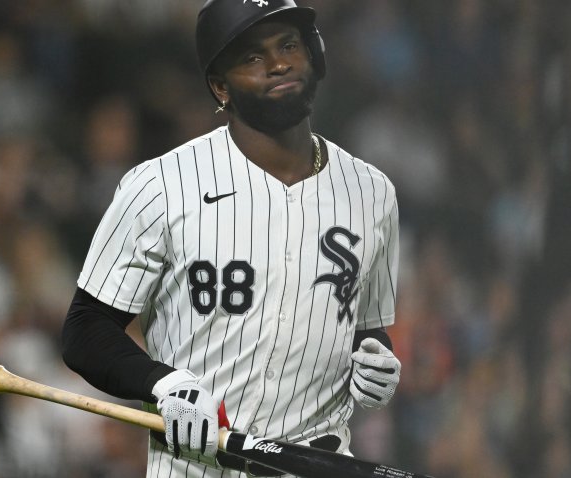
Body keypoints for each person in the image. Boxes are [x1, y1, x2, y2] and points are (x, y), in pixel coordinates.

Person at [61, 1, 402, 476]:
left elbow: (365, 327)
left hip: (315, 461)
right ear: (220, 87)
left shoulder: (373, 193)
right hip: (197, 467)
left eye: (288, 45)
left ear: (315, 55)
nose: (278, 63)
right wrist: (162, 382)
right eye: (252, 57)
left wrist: (375, 360)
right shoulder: (160, 185)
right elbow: (84, 329)